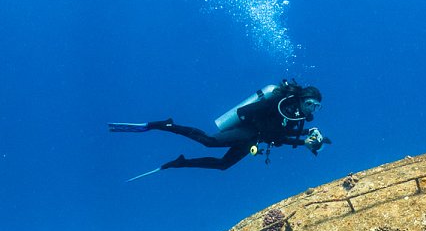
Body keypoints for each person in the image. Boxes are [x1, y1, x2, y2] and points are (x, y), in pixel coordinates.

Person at [109, 81, 330, 178]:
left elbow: (279, 137)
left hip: (253, 140)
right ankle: (167, 125)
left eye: (316, 107)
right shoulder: (281, 104)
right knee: (209, 141)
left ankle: (180, 162)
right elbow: (271, 130)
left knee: (223, 165)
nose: (311, 109)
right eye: (310, 103)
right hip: (248, 129)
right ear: (301, 98)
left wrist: (305, 138)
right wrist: (301, 140)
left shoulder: (297, 117)